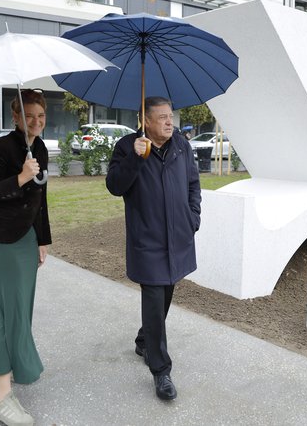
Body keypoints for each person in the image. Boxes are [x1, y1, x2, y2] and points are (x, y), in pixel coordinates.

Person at [106, 96, 201, 401]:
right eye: (161, 117)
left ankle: (144, 339)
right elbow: (114, 186)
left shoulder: (182, 146)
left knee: (167, 291)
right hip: (147, 239)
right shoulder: (127, 147)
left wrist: (192, 216)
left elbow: (192, 183)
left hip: (178, 235)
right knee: (154, 296)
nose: (169, 122)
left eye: (170, 116)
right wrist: (135, 158)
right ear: (145, 121)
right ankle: (161, 371)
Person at [0, 89, 51, 426]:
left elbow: (41, 199)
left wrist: (42, 240)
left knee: (21, 310)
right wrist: (20, 177)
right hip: (1, 241)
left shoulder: (41, 148)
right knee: (7, 313)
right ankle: (2, 397)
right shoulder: (0, 148)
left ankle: (14, 362)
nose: (36, 121)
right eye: (29, 115)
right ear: (16, 117)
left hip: (26, 240)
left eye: (41, 116)